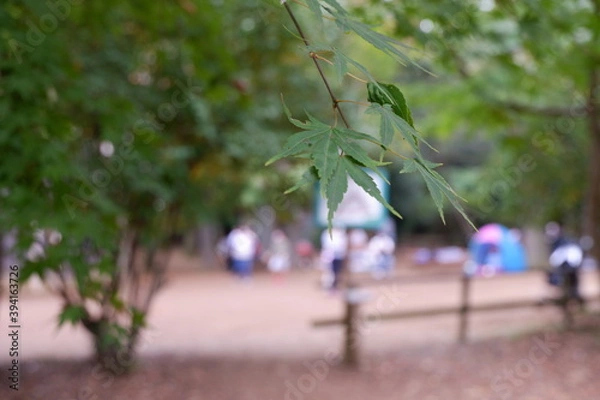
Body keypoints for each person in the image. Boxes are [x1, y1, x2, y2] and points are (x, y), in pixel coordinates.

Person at [320, 227, 348, 292]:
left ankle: (334, 286)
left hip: (338, 255)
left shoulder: (341, 234)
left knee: (336, 272)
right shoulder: (327, 233)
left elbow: (343, 245)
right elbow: (326, 245)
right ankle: (328, 286)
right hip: (329, 255)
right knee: (329, 271)